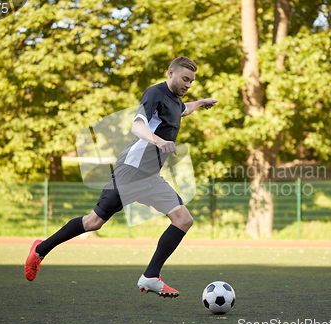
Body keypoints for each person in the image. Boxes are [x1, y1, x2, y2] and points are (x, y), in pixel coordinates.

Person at [24, 56, 218, 298]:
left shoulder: (175, 101)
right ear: (170, 73)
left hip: (151, 177)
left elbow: (183, 110)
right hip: (131, 172)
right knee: (93, 222)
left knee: (183, 219)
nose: (188, 84)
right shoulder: (154, 94)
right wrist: (159, 141)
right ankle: (40, 249)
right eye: (185, 79)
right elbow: (137, 126)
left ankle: (150, 276)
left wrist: (200, 102)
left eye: (191, 81)